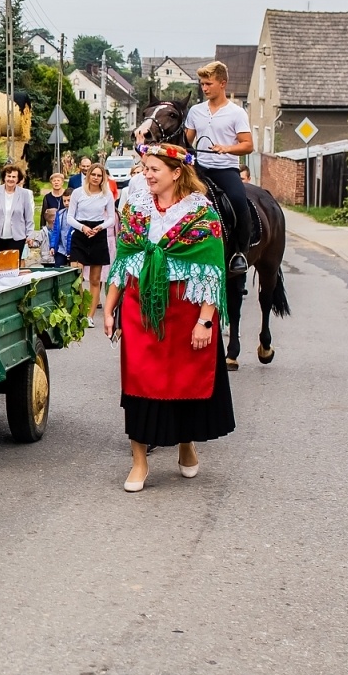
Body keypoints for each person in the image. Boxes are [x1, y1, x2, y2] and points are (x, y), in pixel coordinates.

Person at [103, 142, 233, 492]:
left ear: (176, 173)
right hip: (140, 308)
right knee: (138, 381)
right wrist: (110, 307)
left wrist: (206, 320)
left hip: (184, 310)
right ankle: (139, 461)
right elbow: (124, 259)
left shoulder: (201, 213)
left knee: (183, 381)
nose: (146, 174)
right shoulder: (135, 208)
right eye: (145, 168)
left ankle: (186, 443)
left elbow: (212, 270)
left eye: (153, 169)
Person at [185, 61, 254, 274]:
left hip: (225, 169)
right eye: (202, 84)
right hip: (200, 169)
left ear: (222, 83)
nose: (204, 88)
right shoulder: (195, 111)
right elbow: (186, 143)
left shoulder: (236, 113)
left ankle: (239, 252)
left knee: (238, 201)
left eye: (209, 84)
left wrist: (227, 148)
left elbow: (248, 145)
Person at [67, 162, 116, 316]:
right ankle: (81, 310)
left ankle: (90, 316)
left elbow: (111, 218)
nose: (95, 177)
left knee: (95, 279)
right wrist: (82, 227)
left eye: (99, 175)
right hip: (80, 233)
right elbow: (69, 217)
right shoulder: (78, 193)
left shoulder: (107, 194)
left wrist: (100, 227)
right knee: (77, 277)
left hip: (98, 233)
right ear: (88, 175)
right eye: (93, 174)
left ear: (103, 178)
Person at [0, 163, 34, 256]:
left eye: (14, 177)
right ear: (4, 177)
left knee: (13, 263)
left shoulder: (24, 194)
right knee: (0, 263)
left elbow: (28, 216)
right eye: (9, 176)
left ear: (18, 179)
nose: (11, 179)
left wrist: (30, 235)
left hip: (17, 238)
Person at [41, 172, 71, 266]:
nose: (56, 182)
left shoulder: (67, 194)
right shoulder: (48, 197)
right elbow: (43, 213)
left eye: (58, 180)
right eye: (54, 181)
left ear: (62, 182)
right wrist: (43, 227)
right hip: (55, 229)